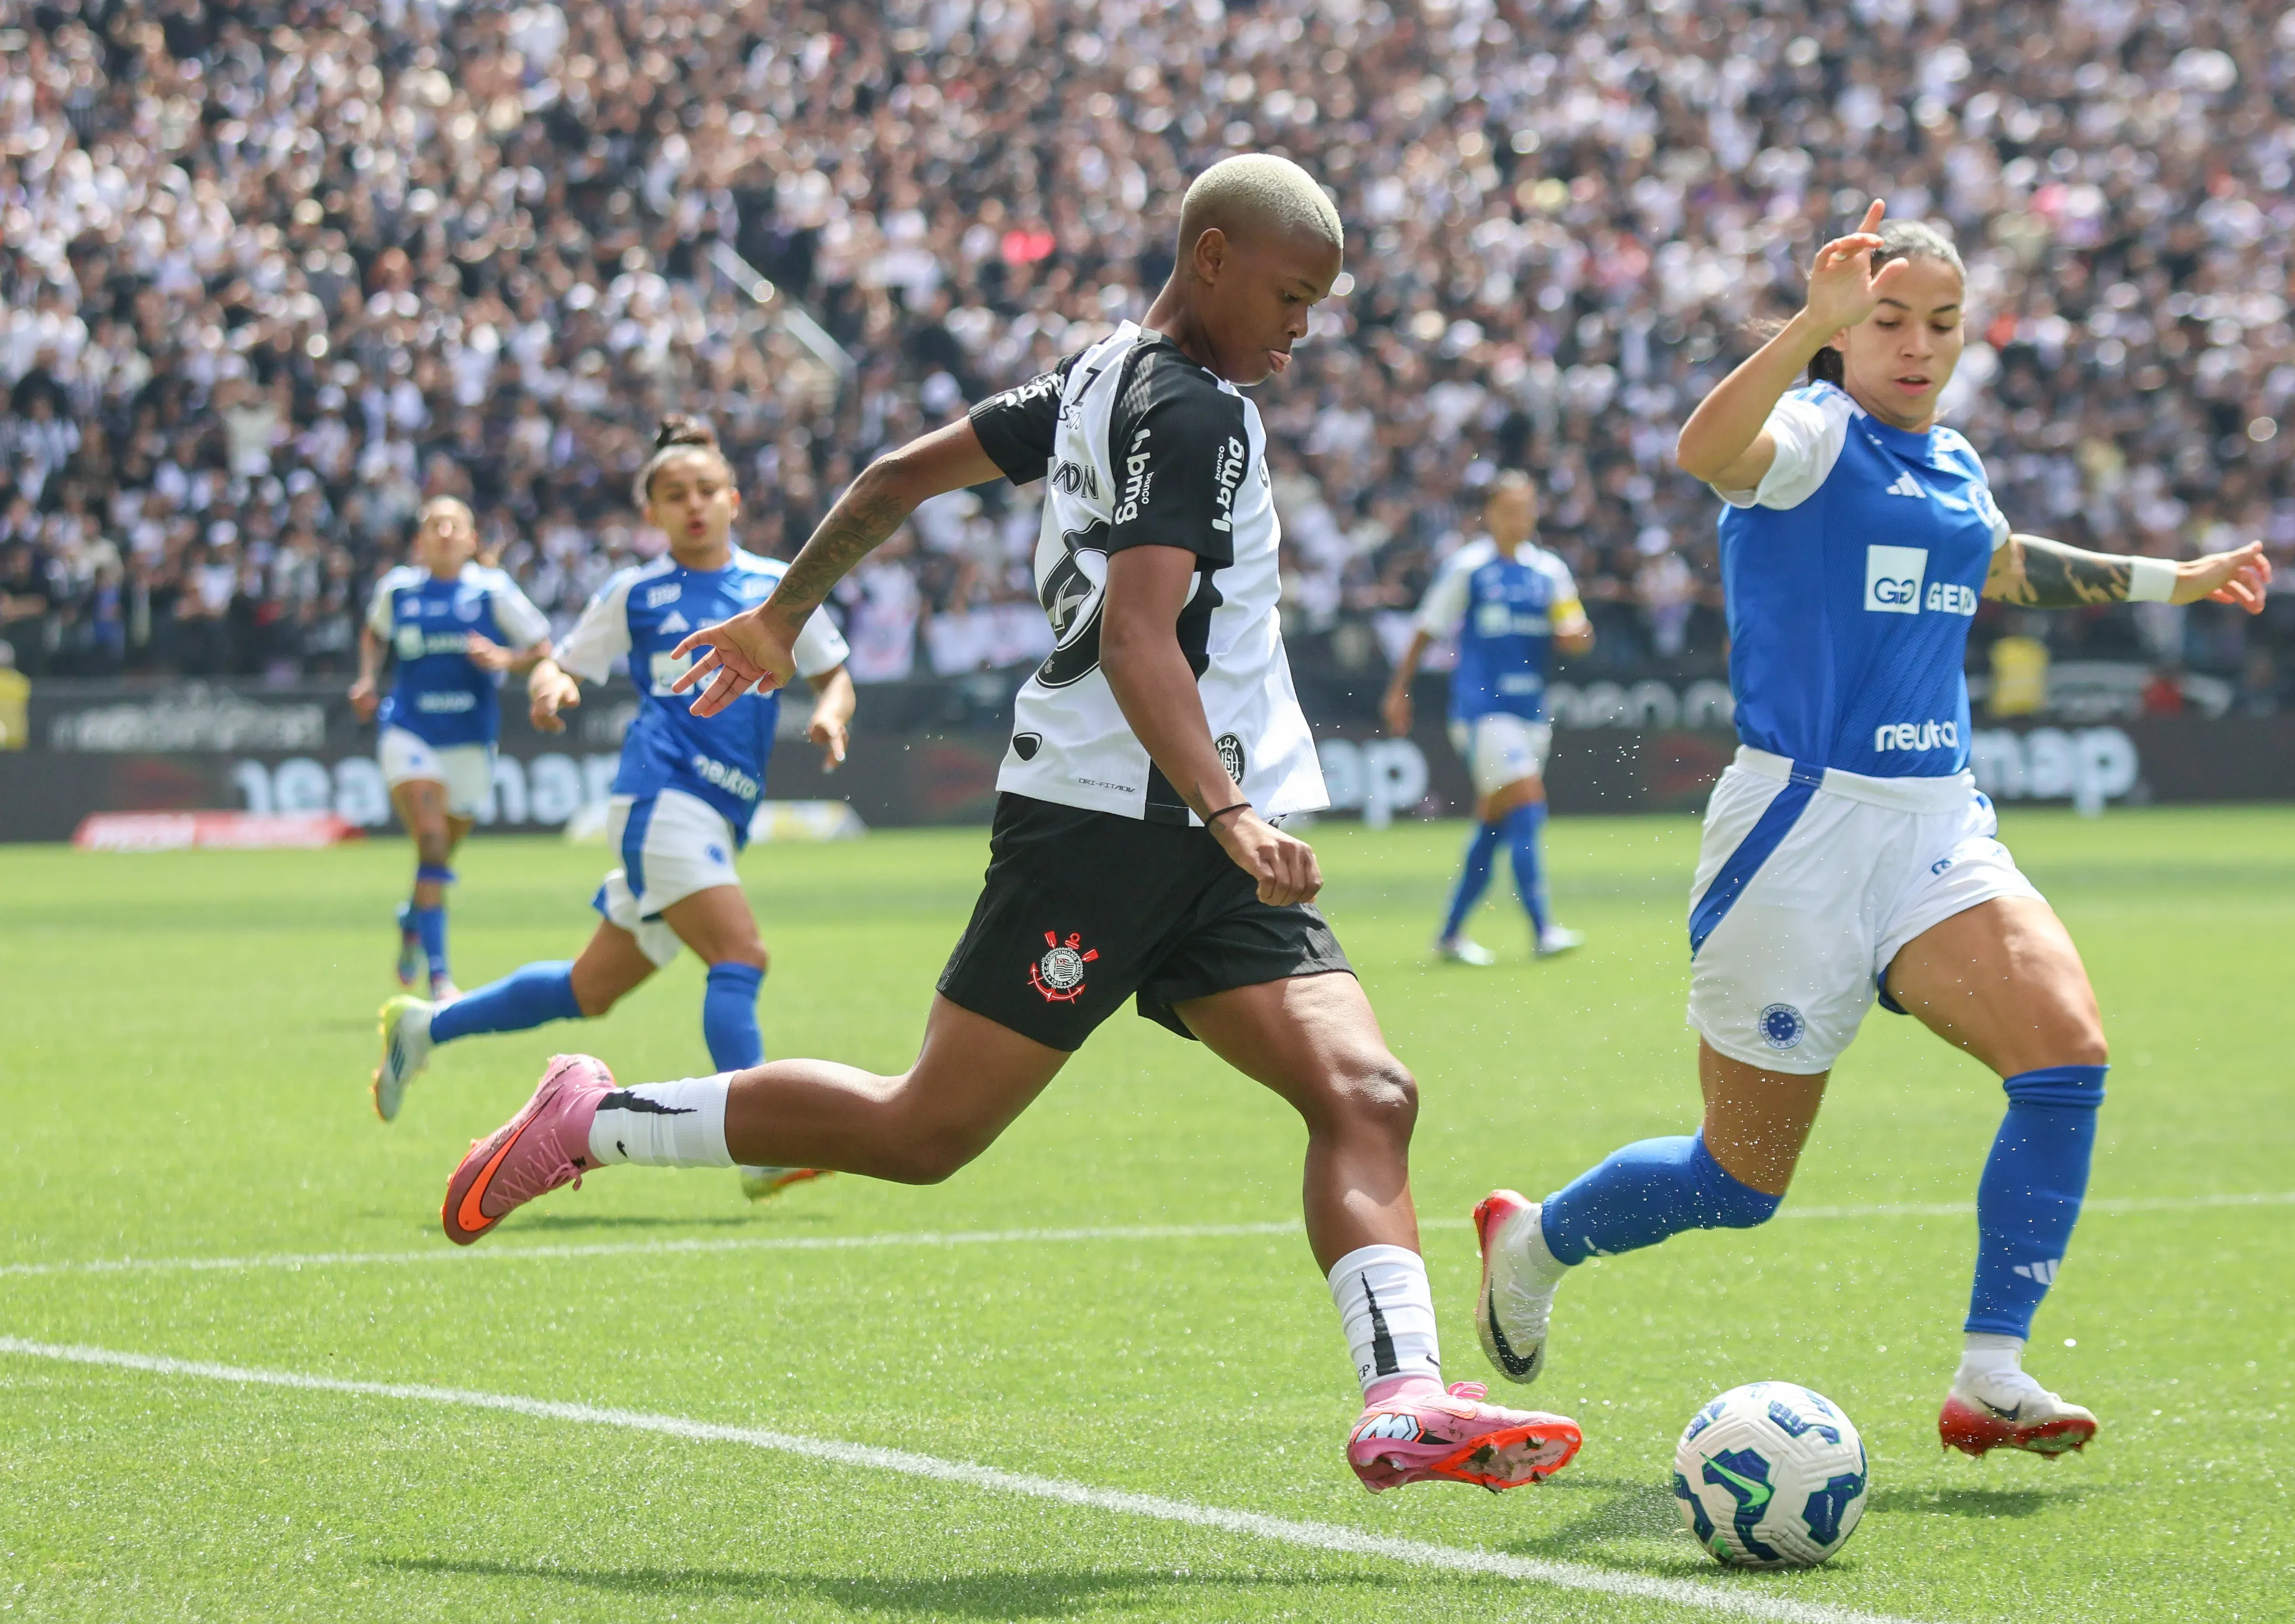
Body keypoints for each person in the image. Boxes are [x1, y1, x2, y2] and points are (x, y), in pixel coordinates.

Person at [433, 156, 1584, 1494]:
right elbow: (1140, 635)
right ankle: (595, 1116)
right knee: (925, 1129)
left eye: (1318, 303)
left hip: (1198, 826)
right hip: (1114, 819)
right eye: (1288, 294)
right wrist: (1224, 805)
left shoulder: (1093, 377)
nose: (1301, 326)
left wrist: (787, 611)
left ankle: (1403, 1399)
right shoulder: (1194, 410)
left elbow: (893, 474)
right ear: (1208, 256)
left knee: (1367, 1091)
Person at [1469, 203, 2272, 1458]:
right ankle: (1533, 1239)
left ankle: (1990, 1371)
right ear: (1850, 328)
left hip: (1933, 827)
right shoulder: (1805, 433)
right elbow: (1701, 448)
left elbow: (1997, 564)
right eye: (1887, 319)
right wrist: (1810, 326)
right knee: (1734, 1185)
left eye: (1937, 324)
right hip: (1793, 833)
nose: (1912, 343)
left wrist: (2173, 577)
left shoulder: (1949, 459)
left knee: (2063, 1055)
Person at [373, 417, 855, 1207]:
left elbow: (834, 671)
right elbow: (559, 664)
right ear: (653, 515)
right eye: (675, 496)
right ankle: (763, 1147)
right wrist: (551, 689)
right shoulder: (634, 592)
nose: (693, 505)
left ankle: (424, 1026)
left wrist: (831, 711)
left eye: (706, 491)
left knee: (588, 989)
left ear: (734, 499)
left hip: (716, 812)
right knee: (741, 955)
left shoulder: (776, 583)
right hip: (662, 797)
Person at [1381, 470, 1593, 965]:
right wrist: (1399, 690)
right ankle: (1543, 930)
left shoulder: (1549, 570)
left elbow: (1576, 633)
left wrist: (1578, 639)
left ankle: (1450, 935)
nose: (1520, 518)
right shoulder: (1467, 567)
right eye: (1509, 509)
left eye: (1526, 508)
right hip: (1482, 712)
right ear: (1489, 514)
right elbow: (1426, 628)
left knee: (1495, 826)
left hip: (1530, 712)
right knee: (1528, 807)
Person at [350, 498, 551, 1001]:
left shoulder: (493, 589)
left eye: (454, 525)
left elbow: (542, 648)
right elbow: (374, 634)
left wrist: (504, 658)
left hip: (470, 740)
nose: (443, 532)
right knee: (433, 842)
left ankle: (413, 919)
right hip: (409, 732)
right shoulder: (398, 590)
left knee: (437, 857)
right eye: (433, 526)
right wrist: (367, 679)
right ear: (419, 543)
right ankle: (440, 978)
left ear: (470, 539)